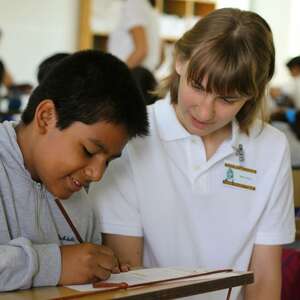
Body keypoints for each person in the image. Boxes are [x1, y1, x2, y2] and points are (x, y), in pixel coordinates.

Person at [89, 8, 295, 300]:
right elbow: (126, 277)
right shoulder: (133, 137)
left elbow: (263, 280)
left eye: (227, 98)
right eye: (198, 87)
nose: (205, 110)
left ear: (253, 93)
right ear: (179, 61)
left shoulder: (270, 147)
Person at [0, 50, 148, 291]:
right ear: (46, 117)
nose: (97, 174)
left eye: (108, 161)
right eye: (89, 151)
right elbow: (59, 267)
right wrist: (54, 264)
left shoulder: (80, 205)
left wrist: (98, 269)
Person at [108, 0, 161, 72]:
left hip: (132, 76)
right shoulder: (145, 5)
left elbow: (141, 50)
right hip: (141, 76)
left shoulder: (134, 4)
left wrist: (118, 75)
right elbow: (161, 55)